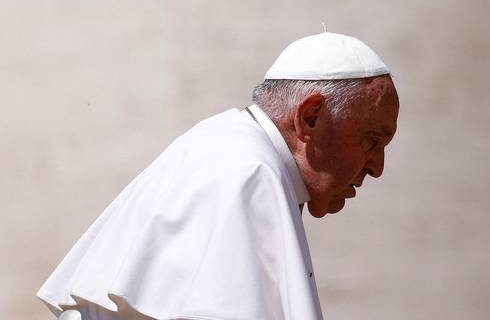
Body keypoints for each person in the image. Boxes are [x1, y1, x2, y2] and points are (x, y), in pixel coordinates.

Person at [37, 31, 400, 320]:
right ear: (310, 117)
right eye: (371, 141)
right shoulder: (248, 174)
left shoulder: (225, 144)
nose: (377, 167)